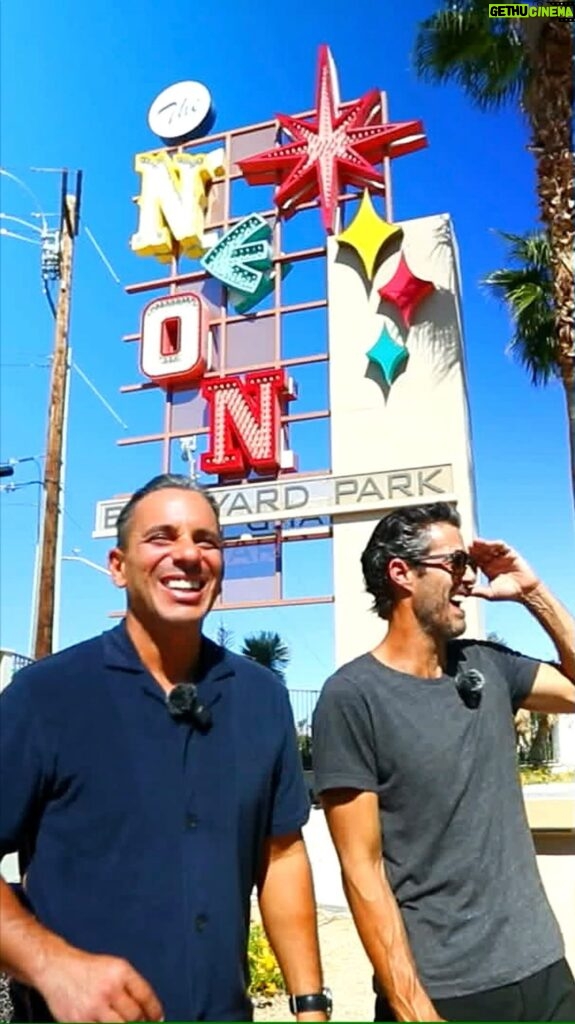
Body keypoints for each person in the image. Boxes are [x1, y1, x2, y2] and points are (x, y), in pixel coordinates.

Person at [0, 474, 332, 1023]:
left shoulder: (262, 699)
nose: (188, 555)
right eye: (161, 537)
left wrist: (310, 1004)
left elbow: (282, 853)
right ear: (117, 566)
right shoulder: (46, 696)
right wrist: (50, 965)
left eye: (206, 541)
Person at [312, 502, 575, 1023]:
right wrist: (412, 1008)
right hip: (445, 992)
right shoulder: (352, 696)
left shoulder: (490, 666)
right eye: (456, 562)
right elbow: (361, 870)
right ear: (401, 573)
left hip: (543, 970)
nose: (469, 578)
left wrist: (533, 594)